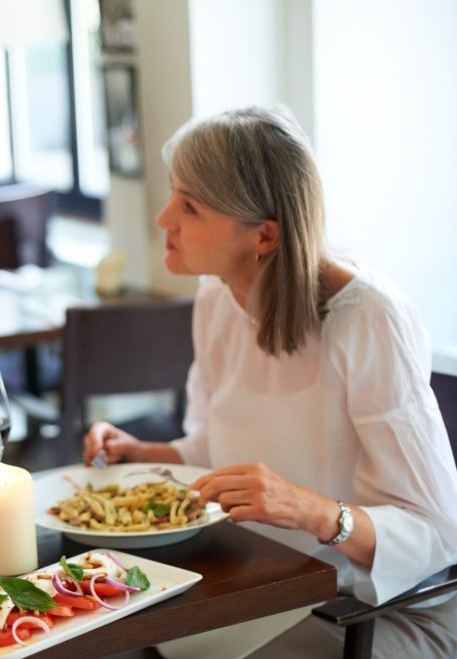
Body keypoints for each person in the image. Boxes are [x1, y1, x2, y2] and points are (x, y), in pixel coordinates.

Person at [83, 106, 457, 658]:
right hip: (254, 584)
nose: (164, 219)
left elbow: (435, 534)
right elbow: (221, 447)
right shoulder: (215, 297)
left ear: (263, 235)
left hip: (369, 612)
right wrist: (148, 451)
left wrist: (309, 509)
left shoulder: (369, 318)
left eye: (189, 205)